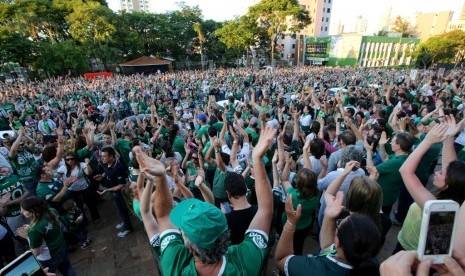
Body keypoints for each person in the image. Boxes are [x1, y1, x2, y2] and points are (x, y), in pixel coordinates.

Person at [134, 126, 276, 275]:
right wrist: (257, 159)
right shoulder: (245, 263)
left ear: (189, 247)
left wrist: (161, 177)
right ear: (226, 235)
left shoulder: (175, 265)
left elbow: (162, 216)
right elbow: (265, 210)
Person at [396, 118, 465, 254]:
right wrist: (449, 137)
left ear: (449, 184)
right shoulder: (456, 203)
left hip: (408, 251)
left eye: (442, 173)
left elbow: (405, 171)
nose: (437, 172)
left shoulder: (437, 207)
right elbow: (451, 169)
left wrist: (427, 141)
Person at [275, 190, 382, 276]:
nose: (337, 224)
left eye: (339, 224)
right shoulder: (371, 263)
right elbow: (326, 246)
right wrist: (329, 216)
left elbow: (281, 259)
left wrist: (290, 223)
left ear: (338, 241)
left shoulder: (309, 269)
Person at [17, 197, 76, 276]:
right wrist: (31, 228)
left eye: (24, 210)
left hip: (49, 257)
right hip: (62, 246)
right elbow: (58, 225)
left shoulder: (34, 230)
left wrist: (28, 236)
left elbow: (36, 252)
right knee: (68, 269)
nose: (21, 211)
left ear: (32, 210)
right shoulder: (51, 211)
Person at [94, 147, 133, 238]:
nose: (102, 158)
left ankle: (128, 228)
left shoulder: (118, 167)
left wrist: (107, 190)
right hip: (111, 191)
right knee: (118, 210)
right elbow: (107, 171)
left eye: (104, 156)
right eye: (101, 156)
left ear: (111, 156)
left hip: (118, 193)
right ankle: (124, 222)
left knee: (122, 211)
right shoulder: (106, 163)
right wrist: (102, 176)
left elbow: (121, 185)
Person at [56, 152, 100, 223]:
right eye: (67, 160)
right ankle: (84, 220)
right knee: (78, 206)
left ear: (75, 158)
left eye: (71, 159)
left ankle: (95, 217)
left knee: (90, 203)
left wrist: (87, 164)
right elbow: (56, 178)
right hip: (72, 190)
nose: (70, 161)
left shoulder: (82, 164)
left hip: (85, 187)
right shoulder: (63, 168)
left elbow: (89, 173)